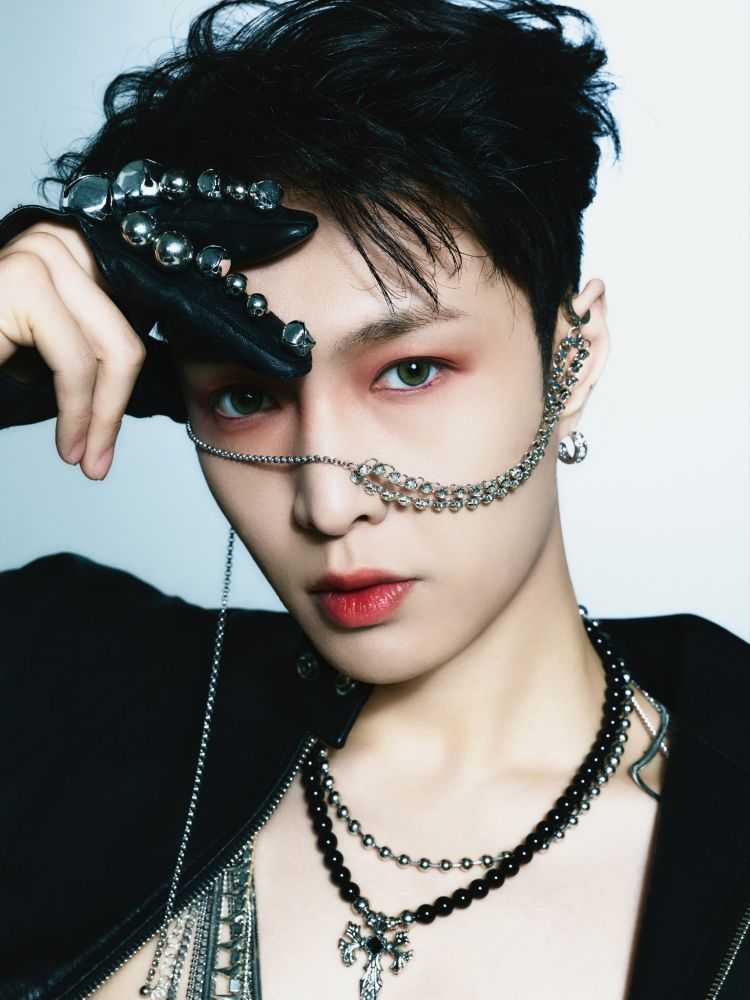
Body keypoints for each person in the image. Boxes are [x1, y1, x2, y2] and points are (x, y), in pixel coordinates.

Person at [0, 1, 748, 998]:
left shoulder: (721, 824)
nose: (326, 500)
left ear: (570, 356)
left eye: (410, 372)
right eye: (247, 396)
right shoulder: (51, 690)